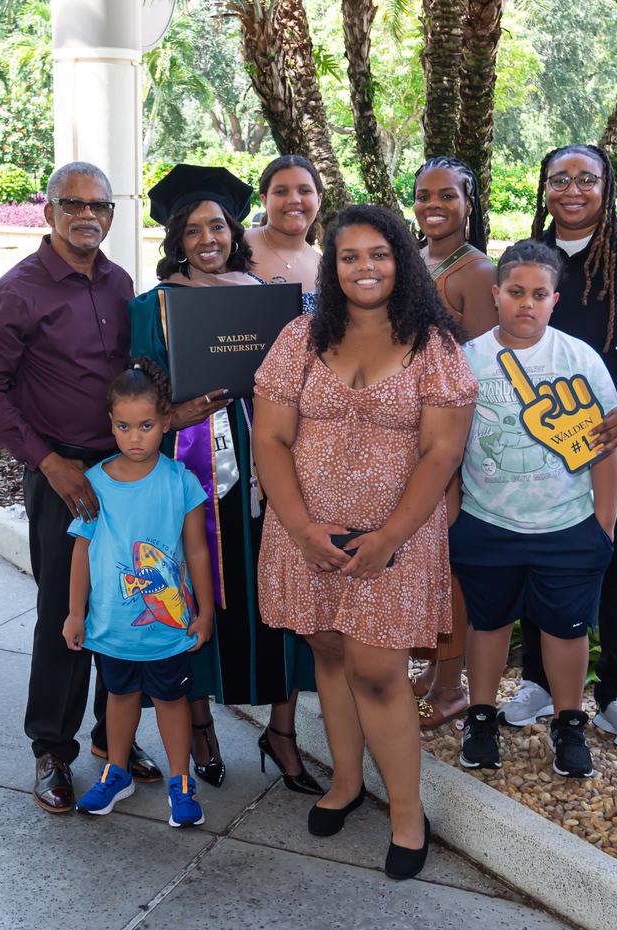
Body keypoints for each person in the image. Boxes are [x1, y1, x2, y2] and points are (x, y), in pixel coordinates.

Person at [251, 205, 476, 880]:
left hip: (395, 539)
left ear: (401, 259)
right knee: (326, 648)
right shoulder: (300, 337)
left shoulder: (435, 346)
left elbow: (441, 455)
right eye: (349, 256)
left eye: (379, 254)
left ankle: (407, 812)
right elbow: (270, 437)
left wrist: (388, 538)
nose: (365, 267)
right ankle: (346, 781)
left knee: (378, 671)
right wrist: (300, 527)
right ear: (332, 265)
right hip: (307, 533)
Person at [0, 161, 163, 814]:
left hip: (121, 473)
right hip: (60, 475)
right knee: (64, 615)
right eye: (73, 203)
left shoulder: (118, 283)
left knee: (127, 604)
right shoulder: (17, 291)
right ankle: (52, 748)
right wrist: (48, 462)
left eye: (100, 205)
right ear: (47, 211)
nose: (88, 215)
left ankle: (114, 736)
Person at [129, 164, 322, 796]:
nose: (207, 238)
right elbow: (137, 393)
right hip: (191, 471)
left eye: (217, 225)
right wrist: (171, 414)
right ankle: (203, 725)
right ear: (176, 240)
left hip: (270, 465)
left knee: (278, 591)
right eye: (192, 230)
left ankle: (282, 731)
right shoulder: (153, 306)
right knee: (197, 588)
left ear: (235, 229)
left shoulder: (269, 297)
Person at [510, 143, 617, 753]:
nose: (572, 190)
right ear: (543, 188)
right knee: (539, 551)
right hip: (545, 431)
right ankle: (539, 681)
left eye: (586, 179)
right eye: (559, 179)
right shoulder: (533, 257)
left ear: (608, 186)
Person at [452, 240, 617, 779]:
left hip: (568, 523)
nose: (527, 303)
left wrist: (604, 526)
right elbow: (445, 446)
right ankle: (480, 717)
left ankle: (569, 723)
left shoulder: (579, 359)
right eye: (516, 292)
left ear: (555, 300)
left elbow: (606, 444)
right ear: (495, 293)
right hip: (487, 521)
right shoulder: (468, 359)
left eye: (539, 294)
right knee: (489, 621)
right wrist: (456, 517)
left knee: (567, 629)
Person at [64, 360, 214, 827]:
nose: (135, 437)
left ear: (166, 422)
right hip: (112, 625)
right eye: (124, 426)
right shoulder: (95, 484)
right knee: (119, 698)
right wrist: (74, 613)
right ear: (110, 423)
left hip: (168, 627)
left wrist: (205, 610)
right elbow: (81, 554)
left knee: (171, 702)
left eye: (146, 426)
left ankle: (179, 781)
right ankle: (116, 771)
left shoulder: (180, 482)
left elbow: (197, 552)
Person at [409, 155, 499, 728]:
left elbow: (486, 368)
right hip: (406, 426)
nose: (433, 206)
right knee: (420, 555)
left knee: (448, 562)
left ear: (469, 203)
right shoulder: (415, 259)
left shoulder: (477, 273)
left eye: (447, 195)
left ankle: (449, 686)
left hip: (452, 431)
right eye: (423, 195)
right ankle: (432, 665)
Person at [244, 155, 323, 309]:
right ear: (264, 199)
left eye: (304, 191)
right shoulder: (235, 246)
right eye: (281, 192)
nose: (294, 199)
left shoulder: (325, 267)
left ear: (319, 200)